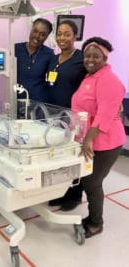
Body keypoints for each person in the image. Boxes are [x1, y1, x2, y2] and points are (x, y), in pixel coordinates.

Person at [72, 37, 126, 238]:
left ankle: (96, 223)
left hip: (106, 142)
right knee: (88, 180)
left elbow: (104, 115)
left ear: (105, 57)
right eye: (87, 55)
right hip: (89, 139)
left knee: (93, 182)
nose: (90, 59)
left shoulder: (108, 80)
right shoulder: (90, 77)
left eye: (96, 56)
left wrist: (87, 140)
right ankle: (92, 217)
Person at [45, 20, 87, 210]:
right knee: (59, 156)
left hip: (73, 117)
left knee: (73, 155)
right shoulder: (54, 59)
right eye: (59, 34)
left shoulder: (82, 59)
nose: (62, 38)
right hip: (54, 115)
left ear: (75, 36)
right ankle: (62, 192)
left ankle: (75, 195)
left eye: (67, 34)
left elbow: (96, 81)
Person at [15, 18, 54, 103]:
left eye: (42, 34)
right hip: (16, 100)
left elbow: (52, 79)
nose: (37, 36)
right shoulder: (16, 49)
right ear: (31, 30)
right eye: (35, 31)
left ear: (47, 37)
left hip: (39, 102)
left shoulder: (49, 54)